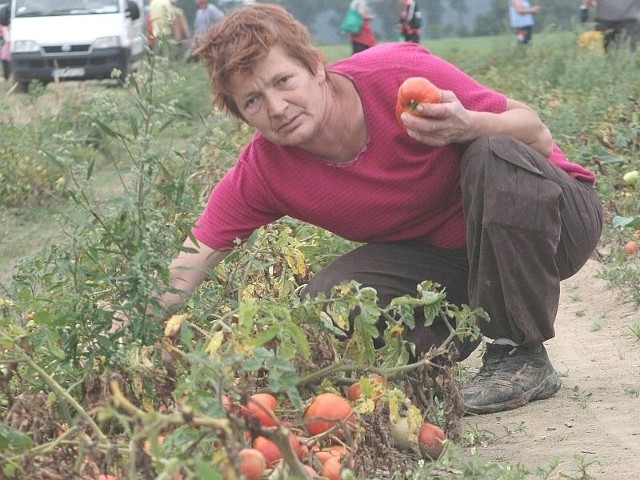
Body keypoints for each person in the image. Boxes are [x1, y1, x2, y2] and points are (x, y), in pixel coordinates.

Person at [114, 4, 603, 416]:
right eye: (253, 101)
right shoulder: (266, 171)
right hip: (455, 263)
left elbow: (536, 133)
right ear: (240, 115)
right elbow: (190, 263)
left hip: (557, 221)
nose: (278, 107)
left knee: (491, 150)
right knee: (330, 301)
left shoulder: (396, 77)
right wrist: (114, 337)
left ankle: (519, 353)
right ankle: (426, 365)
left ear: (315, 66)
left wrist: (468, 124)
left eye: (284, 81)